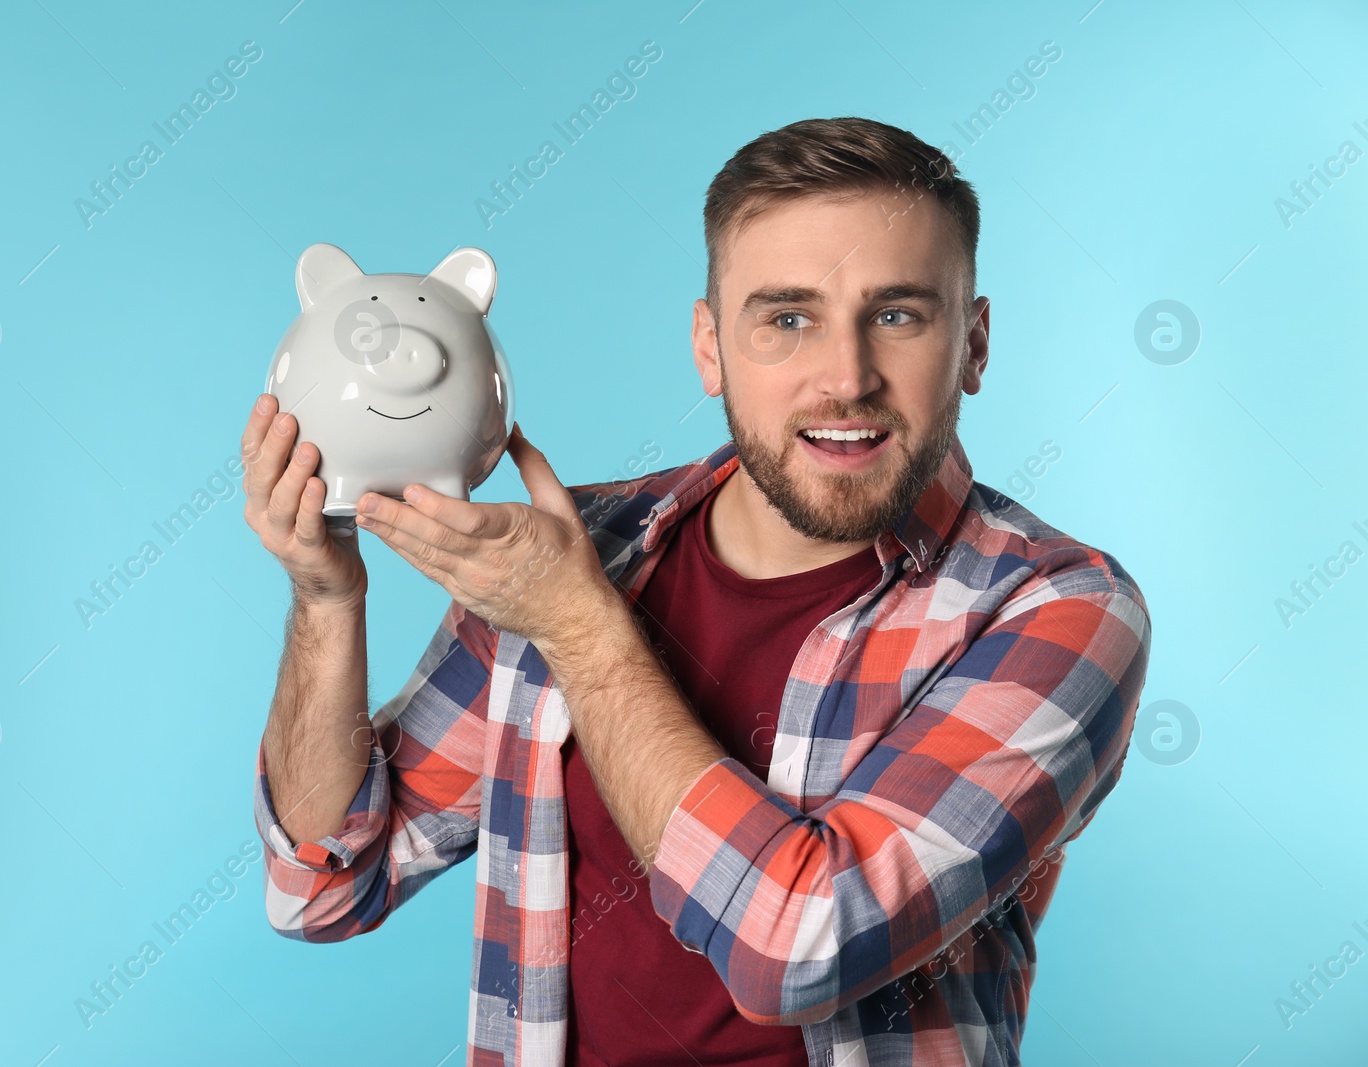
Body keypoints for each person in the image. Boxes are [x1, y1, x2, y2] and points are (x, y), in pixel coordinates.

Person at [242, 116, 1151, 1067]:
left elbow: (798, 950)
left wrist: (582, 629)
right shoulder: (568, 555)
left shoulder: (1060, 610)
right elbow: (323, 884)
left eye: (898, 314)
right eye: (787, 318)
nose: (845, 377)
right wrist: (326, 599)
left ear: (973, 342)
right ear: (710, 345)